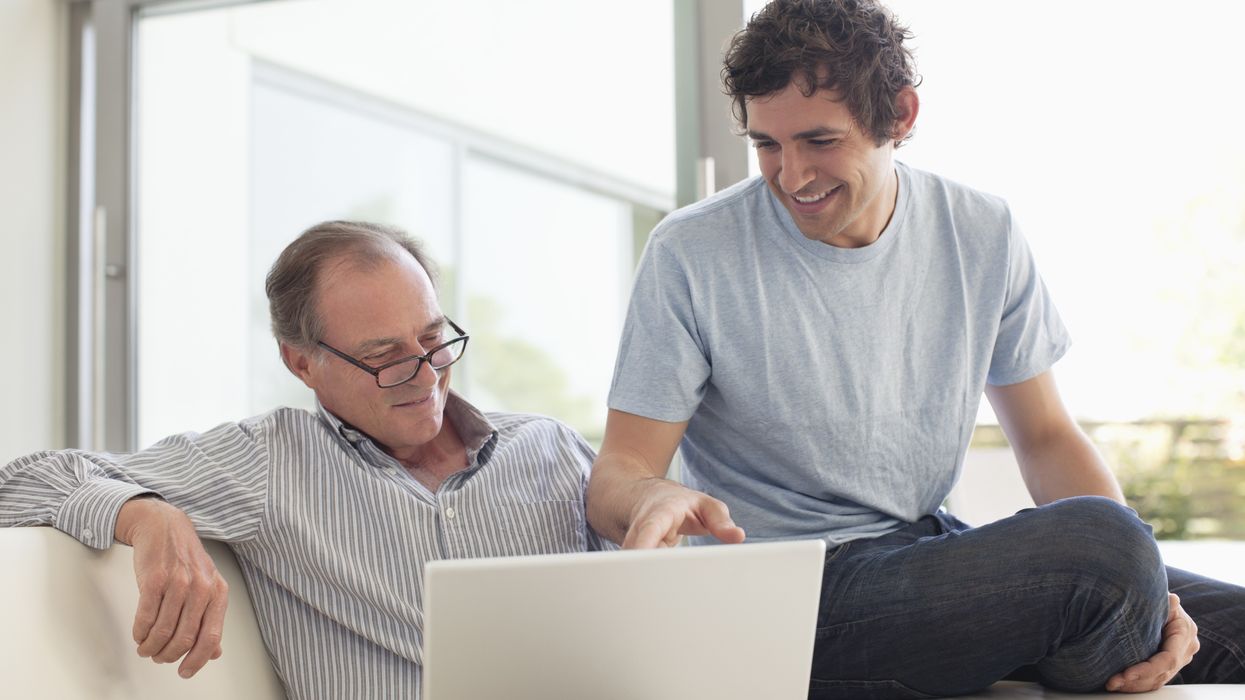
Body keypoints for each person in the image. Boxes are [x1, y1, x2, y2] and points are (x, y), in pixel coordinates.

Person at [585, 0, 1245, 697]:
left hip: (929, 554)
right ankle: (1080, 633)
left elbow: (1048, 438)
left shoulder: (980, 231)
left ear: (899, 116)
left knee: (1146, 569)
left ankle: (1079, 634)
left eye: (817, 141)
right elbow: (618, 474)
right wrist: (649, 498)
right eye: (766, 145)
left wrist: (1150, 584)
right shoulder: (692, 251)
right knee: (1099, 555)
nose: (790, 176)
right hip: (788, 588)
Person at [0, 220, 610, 699]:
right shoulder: (266, 462)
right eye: (385, 356)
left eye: (432, 340)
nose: (424, 374)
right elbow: (21, 482)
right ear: (301, 363)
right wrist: (145, 513)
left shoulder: (550, 448)